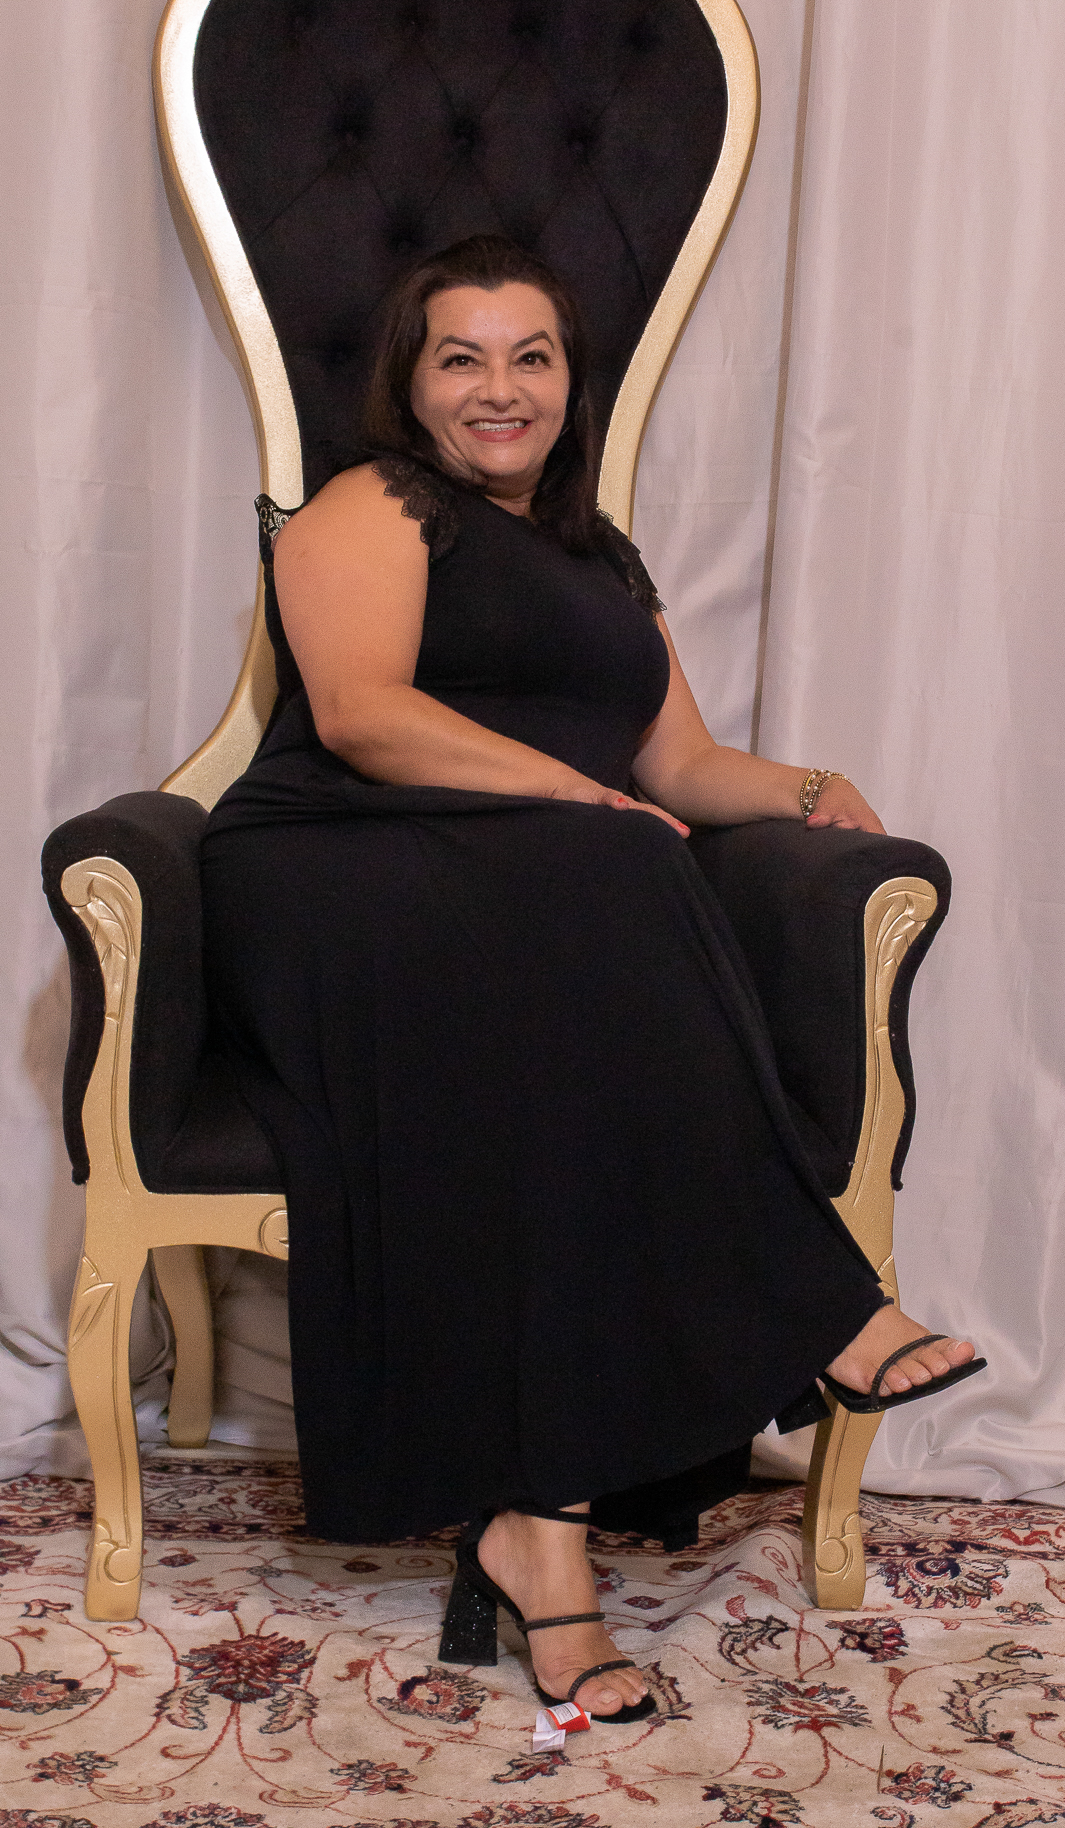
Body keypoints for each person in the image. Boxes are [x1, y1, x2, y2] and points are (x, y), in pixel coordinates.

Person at [200, 236, 982, 1724]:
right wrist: (583, 797)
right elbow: (360, 715)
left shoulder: (602, 559)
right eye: (461, 358)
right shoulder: (372, 505)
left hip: (537, 902)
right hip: (335, 873)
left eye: (532, 356)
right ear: (412, 384)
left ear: (571, 380)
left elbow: (679, 764)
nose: (499, 388)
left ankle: (537, 1545)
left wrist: (813, 788)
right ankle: (821, 1304)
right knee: (616, 865)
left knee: (574, 1092)